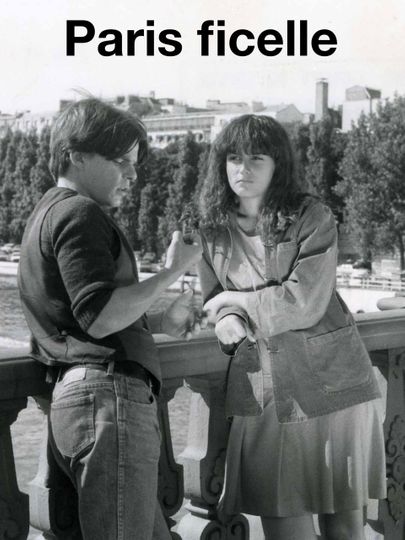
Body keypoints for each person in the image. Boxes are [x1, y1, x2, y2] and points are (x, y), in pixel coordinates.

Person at [18, 97, 203, 540]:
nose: (133, 176)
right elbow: (99, 318)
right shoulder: (79, 213)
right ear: (76, 155)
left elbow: (79, 317)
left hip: (86, 403)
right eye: (121, 162)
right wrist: (172, 271)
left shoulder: (47, 212)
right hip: (109, 401)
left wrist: (159, 320)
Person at [198, 114, 386, 540]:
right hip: (265, 392)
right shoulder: (210, 229)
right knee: (284, 526)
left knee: (345, 530)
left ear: (277, 164)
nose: (242, 169)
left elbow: (305, 301)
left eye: (256, 158)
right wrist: (226, 315)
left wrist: (235, 302)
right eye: (233, 158)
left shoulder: (311, 216)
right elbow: (213, 298)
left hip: (333, 384)